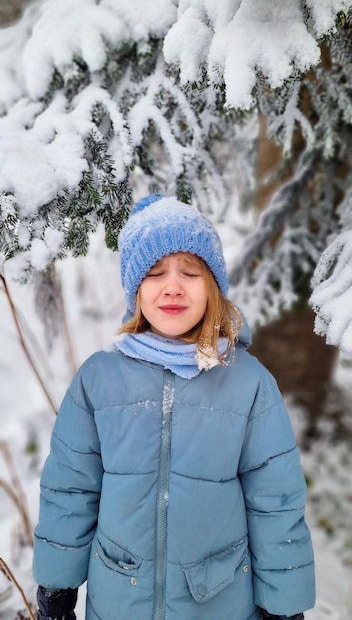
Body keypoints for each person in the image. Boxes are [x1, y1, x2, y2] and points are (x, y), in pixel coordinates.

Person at [33, 194, 315, 620]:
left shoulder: (249, 383)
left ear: (213, 287)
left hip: (219, 601)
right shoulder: (99, 379)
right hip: (118, 597)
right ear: (135, 289)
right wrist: (57, 582)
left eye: (190, 271)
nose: (172, 286)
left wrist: (284, 604)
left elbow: (275, 501)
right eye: (154, 272)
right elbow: (71, 488)